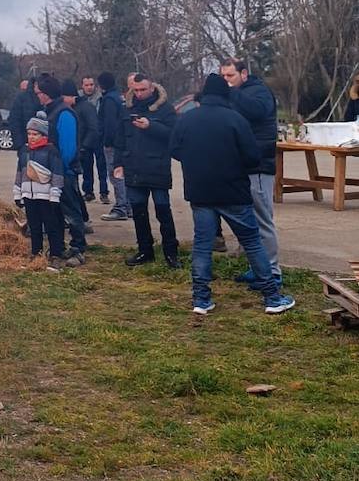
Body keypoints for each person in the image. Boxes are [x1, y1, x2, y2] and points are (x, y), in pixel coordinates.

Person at [170, 74, 295, 315]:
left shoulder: (187, 120)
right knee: (252, 242)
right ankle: (272, 297)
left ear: (203, 95)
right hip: (233, 191)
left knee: (203, 246)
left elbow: (175, 150)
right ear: (226, 95)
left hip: (200, 192)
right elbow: (252, 157)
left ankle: (201, 299)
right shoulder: (235, 119)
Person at [219, 57, 282, 287]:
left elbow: (257, 112)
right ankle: (257, 267)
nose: (226, 81)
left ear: (243, 74)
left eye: (230, 76)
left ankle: (272, 271)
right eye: (223, 77)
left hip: (258, 165)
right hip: (241, 164)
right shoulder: (238, 95)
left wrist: (231, 94)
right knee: (250, 220)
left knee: (263, 219)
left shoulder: (258, 92)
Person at [113, 74, 179, 268]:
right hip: (133, 168)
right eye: (136, 90)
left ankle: (171, 252)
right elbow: (120, 140)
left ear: (152, 88)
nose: (140, 93)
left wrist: (151, 126)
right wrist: (118, 163)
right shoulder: (126, 109)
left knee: (163, 211)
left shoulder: (165, 109)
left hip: (157, 167)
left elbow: (173, 135)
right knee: (139, 212)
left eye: (143, 90)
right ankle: (145, 250)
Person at [37, 74, 86, 263]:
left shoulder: (64, 113)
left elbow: (67, 148)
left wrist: (59, 170)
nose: (38, 96)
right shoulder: (51, 111)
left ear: (46, 93)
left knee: (72, 211)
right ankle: (61, 246)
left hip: (64, 172)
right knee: (57, 211)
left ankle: (78, 248)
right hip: (52, 172)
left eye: (39, 93)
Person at [13, 112, 66, 270]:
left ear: (43, 134)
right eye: (29, 134)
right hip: (29, 195)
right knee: (34, 226)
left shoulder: (51, 151)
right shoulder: (24, 152)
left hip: (46, 196)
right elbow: (20, 172)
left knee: (51, 226)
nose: (31, 137)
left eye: (35, 134)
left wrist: (55, 194)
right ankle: (36, 253)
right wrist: (18, 192)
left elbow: (57, 173)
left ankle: (55, 255)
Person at [97, 73, 129, 220]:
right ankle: (128, 206)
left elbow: (109, 123)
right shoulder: (118, 97)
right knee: (121, 174)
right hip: (122, 141)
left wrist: (107, 141)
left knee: (116, 174)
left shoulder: (109, 100)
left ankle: (121, 207)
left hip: (113, 143)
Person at [67, 79, 102, 206]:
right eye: (86, 85)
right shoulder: (75, 108)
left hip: (85, 146)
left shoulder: (86, 107)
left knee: (88, 169)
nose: (89, 87)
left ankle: (89, 191)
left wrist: (85, 146)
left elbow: (93, 128)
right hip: (78, 145)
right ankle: (83, 192)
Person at [78, 75, 109, 203]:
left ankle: (104, 192)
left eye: (91, 84)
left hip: (99, 137)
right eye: (87, 85)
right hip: (86, 137)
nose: (89, 87)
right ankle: (88, 191)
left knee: (102, 166)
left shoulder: (101, 98)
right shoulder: (78, 99)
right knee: (86, 166)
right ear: (82, 86)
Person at [8, 78, 40, 153]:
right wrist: (20, 144)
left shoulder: (46, 99)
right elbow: (14, 121)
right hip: (25, 144)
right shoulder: (21, 98)